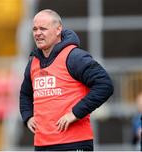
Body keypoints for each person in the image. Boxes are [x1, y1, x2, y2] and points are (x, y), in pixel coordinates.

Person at [19, 9, 114, 151]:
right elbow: (25, 94)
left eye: (43, 29)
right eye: (35, 29)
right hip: (42, 145)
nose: (37, 33)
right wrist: (28, 116)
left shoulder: (74, 57)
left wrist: (75, 113)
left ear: (58, 30)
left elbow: (105, 85)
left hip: (74, 143)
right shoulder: (33, 63)